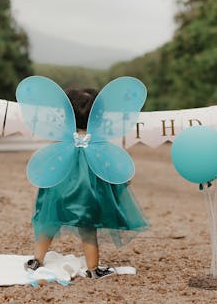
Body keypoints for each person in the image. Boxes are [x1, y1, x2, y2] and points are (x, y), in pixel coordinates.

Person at [24, 88, 149, 279]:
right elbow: (111, 164)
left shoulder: (62, 140)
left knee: (48, 223)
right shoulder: (98, 142)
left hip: (58, 190)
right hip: (87, 195)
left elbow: (49, 160)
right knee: (88, 231)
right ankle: (93, 269)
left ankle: (36, 260)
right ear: (98, 116)